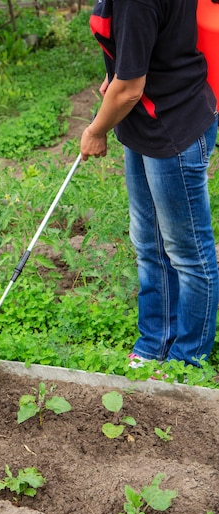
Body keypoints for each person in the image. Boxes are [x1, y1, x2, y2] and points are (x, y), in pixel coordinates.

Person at [80, 0, 219, 368]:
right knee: (149, 244)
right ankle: (154, 344)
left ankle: (188, 359)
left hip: (173, 126)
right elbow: (154, 40)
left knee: (188, 252)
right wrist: (122, 63)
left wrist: (96, 130)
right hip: (146, 124)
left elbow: (128, 91)